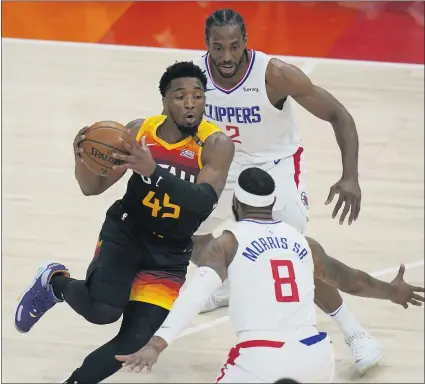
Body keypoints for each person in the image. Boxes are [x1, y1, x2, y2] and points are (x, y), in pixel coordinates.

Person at [14, 61, 235, 384]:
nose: (190, 103)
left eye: (198, 96)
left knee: (134, 340)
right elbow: (92, 188)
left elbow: (203, 202)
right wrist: (83, 159)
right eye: (180, 96)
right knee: (102, 311)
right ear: (164, 101)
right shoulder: (138, 133)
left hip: (170, 252)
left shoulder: (216, 144)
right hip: (127, 233)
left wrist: (153, 172)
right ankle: (54, 283)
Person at [189, 8, 382, 373]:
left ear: (246, 42)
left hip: (275, 166)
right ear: (206, 46)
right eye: (218, 48)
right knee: (190, 234)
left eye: (234, 46)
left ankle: (355, 332)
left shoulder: (274, 75)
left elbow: (338, 114)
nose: (227, 57)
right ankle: (229, 285)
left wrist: (350, 177)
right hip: (223, 165)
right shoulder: (192, 77)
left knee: (295, 258)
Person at [116, 167, 425, 383]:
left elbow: (195, 295)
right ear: (274, 204)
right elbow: (354, 281)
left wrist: (156, 345)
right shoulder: (305, 243)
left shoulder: (227, 243)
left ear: (236, 204)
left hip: (261, 359)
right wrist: (392, 291)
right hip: (316, 357)